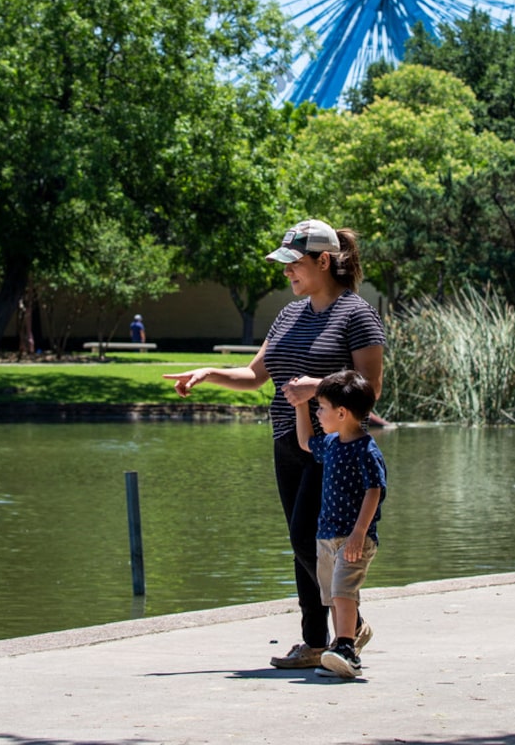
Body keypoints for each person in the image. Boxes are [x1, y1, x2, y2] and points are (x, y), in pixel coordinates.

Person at [162, 219, 384, 670]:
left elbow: (370, 389)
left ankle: (350, 624)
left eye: (294, 265)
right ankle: (315, 641)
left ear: (324, 261)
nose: (287, 274)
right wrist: (208, 374)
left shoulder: (357, 313)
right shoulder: (289, 315)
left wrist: (316, 387)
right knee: (300, 540)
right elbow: (255, 375)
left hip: (334, 448)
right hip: (289, 440)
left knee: (311, 538)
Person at [293, 369, 386, 680]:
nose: (318, 413)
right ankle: (339, 647)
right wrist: (299, 406)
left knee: (344, 592)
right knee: (334, 594)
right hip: (327, 536)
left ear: (342, 413)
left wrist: (359, 533)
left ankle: (347, 647)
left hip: (353, 536)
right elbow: (305, 442)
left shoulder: (366, 449)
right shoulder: (332, 443)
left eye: (321, 408)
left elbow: (374, 490)